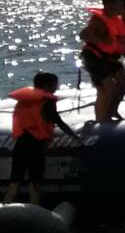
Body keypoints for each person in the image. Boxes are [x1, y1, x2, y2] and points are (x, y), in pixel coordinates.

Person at [6, 72, 74, 204]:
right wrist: (75, 136)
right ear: (46, 86)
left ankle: (4, 209)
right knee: (35, 184)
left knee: (14, 183)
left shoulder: (23, 100)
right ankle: (34, 209)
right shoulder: (47, 101)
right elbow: (58, 121)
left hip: (21, 143)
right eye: (54, 85)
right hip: (36, 145)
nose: (56, 88)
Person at [79, 0, 125, 124]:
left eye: (121, 5)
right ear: (109, 6)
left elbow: (121, 42)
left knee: (124, 82)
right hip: (92, 57)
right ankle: (102, 119)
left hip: (106, 58)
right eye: (119, 5)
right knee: (108, 87)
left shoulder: (117, 20)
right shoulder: (98, 20)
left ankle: (111, 111)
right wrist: (102, 40)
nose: (121, 7)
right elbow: (83, 35)